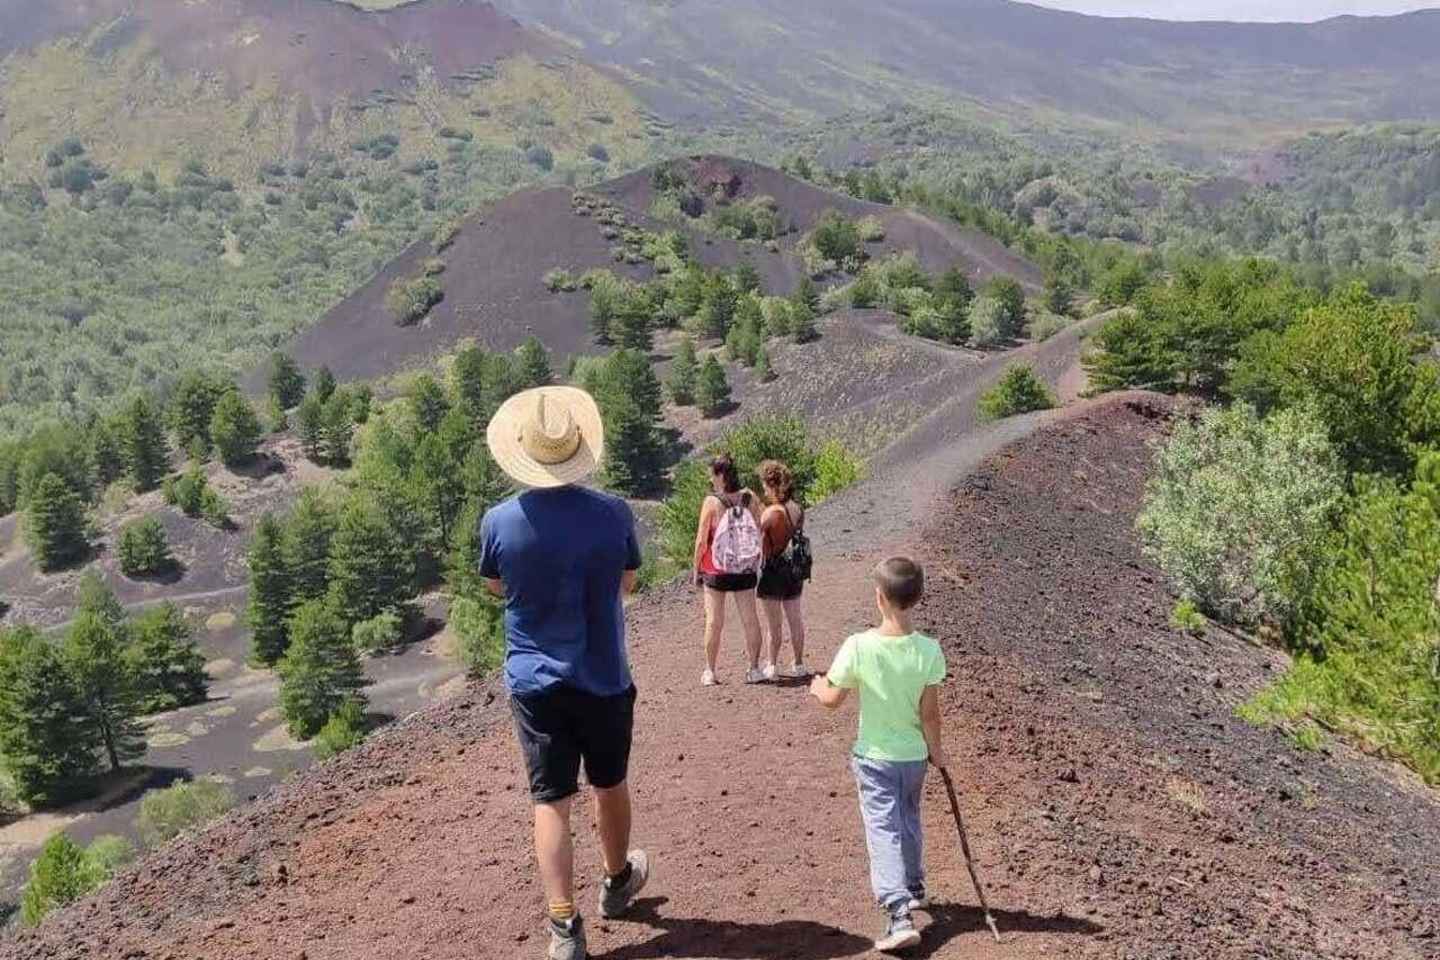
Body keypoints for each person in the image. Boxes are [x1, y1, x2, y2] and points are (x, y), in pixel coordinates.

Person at [479, 386, 650, 960]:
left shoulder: (499, 521)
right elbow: (626, 583)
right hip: (603, 672)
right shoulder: (613, 514)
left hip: (534, 681)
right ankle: (617, 881)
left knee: (550, 799)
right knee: (610, 783)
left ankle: (563, 928)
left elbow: (495, 586)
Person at [810, 557, 947, 954]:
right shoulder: (929, 651)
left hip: (874, 758)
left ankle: (898, 912)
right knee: (908, 819)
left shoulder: (859, 645)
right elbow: (930, 715)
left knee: (882, 828)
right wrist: (937, 753)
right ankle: (914, 885)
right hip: (914, 757)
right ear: (918, 597)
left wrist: (818, 687)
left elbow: (833, 699)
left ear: (879, 598)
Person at [691, 454, 766, 686]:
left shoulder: (712, 502)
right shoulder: (750, 497)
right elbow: (761, 527)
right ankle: (754, 669)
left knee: (714, 621)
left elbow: (702, 541)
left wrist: (696, 570)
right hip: (744, 568)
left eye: (712, 475)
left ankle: (710, 672)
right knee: (750, 619)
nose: (710, 479)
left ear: (721, 475)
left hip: (716, 570)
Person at [756, 459, 810, 679]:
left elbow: (761, 547)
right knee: (795, 618)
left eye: (765, 486)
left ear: (772, 485)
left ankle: (772, 665)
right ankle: (798, 664)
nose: (764, 490)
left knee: (774, 624)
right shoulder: (797, 509)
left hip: (772, 572)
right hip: (794, 569)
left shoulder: (770, 514)